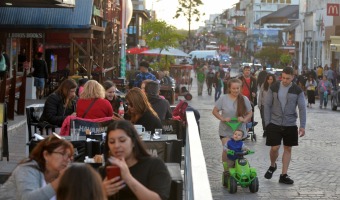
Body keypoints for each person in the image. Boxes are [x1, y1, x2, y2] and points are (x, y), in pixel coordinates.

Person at [99, 120, 171, 200]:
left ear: (133, 142)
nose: (116, 146)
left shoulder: (154, 165)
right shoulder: (106, 170)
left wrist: (128, 178)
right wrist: (102, 193)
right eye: (112, 142)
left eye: (122, 140)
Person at [264, 66, 306, 184]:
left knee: (288, 148)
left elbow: (302, 108)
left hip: (290, 124)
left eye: (288, 78)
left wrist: (302, 126)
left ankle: (284, 175)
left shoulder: (297, 90)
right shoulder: (274, 87)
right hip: (274, 122)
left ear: (293, 77)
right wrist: (267, 122)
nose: (285, 80)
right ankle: (273, 165)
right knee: (274, 148)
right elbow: (267, 105)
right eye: (283, 78)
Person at [0, 134, 74, 200]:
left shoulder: (57, 175)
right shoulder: (27, 169)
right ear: (46, 155)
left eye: (69, 156)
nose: (67, 159)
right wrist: (59, 181)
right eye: (62, 154)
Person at [212, 78, 252, 164]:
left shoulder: (244, 99)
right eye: (233, 88)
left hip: (240, 131)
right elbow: (215, 111)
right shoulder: (223, 98)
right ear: (229, 88)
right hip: (225, 130)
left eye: (238, 88)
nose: (236, 90)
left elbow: (250, 113)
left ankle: (238, 168)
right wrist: (223, 118)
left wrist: (244, 119)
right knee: (228, 149)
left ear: (240, 88)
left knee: (238, 150)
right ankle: (226, 170)